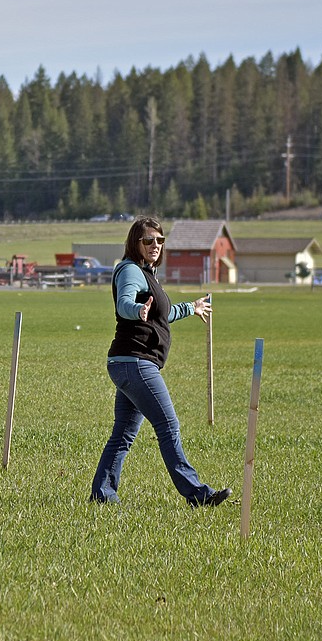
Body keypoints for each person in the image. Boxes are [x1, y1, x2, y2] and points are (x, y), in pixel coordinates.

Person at [91, 216, 231, 507]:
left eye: (159, 240)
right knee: (168, 427)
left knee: (123, 434)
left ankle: (102, 494)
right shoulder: (130, 271)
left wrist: (191, 308)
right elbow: (125, 304)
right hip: (135, 362)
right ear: (136, 243)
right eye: (148, 241)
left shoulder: (148, 274)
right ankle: (198, 495)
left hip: (126, 363)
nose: (155, 245)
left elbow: (161, 314)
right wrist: (136, 310)